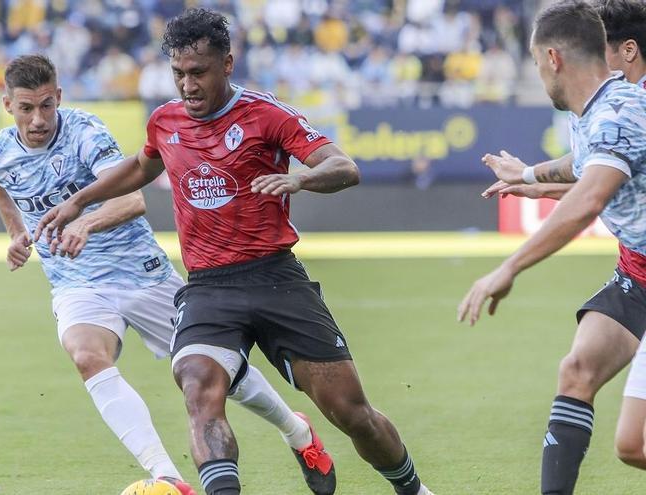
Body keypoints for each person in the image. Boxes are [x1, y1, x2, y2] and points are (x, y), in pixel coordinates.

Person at [35, 11, 432, 495]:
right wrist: (78, 201)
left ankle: (412, 488)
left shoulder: (268, 116)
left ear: (227, 63)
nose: (187, 85)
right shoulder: (165, 120)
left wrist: (300, 177)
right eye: (178, 74)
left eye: (198, 72)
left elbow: (344, 167)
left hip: (276, 280)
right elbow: (141, 167)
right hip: (208, 288)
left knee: (352, 413)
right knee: (197, 386)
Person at [0, 54, 338, 495]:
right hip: (75, 281)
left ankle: (296, 431)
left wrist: (84, 222)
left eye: (47, 105)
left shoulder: (85, 133)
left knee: (224, 375)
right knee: (87, 356)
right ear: (7, 105)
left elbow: (132, 200)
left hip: (140, 274)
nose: (38, 119)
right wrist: (17, 233)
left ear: (59, 98)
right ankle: (167, 476)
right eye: (27, 108)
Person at [457, 2, 646, 494]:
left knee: (635, 444)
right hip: (638, 273)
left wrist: (510, 267)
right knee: (577, 370)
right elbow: (585, 166)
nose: (538, 73)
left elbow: (590, 197)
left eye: (537, 61)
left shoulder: (621, 110)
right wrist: (529, 177)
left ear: (554, 58)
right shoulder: (595, 112)